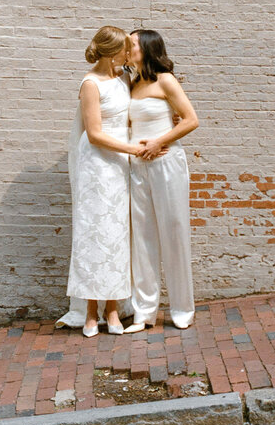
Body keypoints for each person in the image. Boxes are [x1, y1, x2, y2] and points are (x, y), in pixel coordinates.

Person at [56, 26, 146, 337]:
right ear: (111, 52)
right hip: (97, 166)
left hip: (119, 165)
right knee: (92, 235)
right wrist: (132, 148)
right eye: (124, 49)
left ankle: (113, 308)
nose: (128, 53)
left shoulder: (123, 77)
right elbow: (94, 134)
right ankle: (91, 311)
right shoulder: (90, 84)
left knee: (116, 236)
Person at [125, 29, 199, 332]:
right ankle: (145, 312)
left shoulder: (165, 80)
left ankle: (182, 310)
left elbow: (191, 119)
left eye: (131, 45)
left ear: (147, 49)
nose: (126, 49)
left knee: (174, 232)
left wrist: (158, 141)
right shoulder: (132, 84)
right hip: (137, 167)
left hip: (167, 163)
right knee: (142, 238)